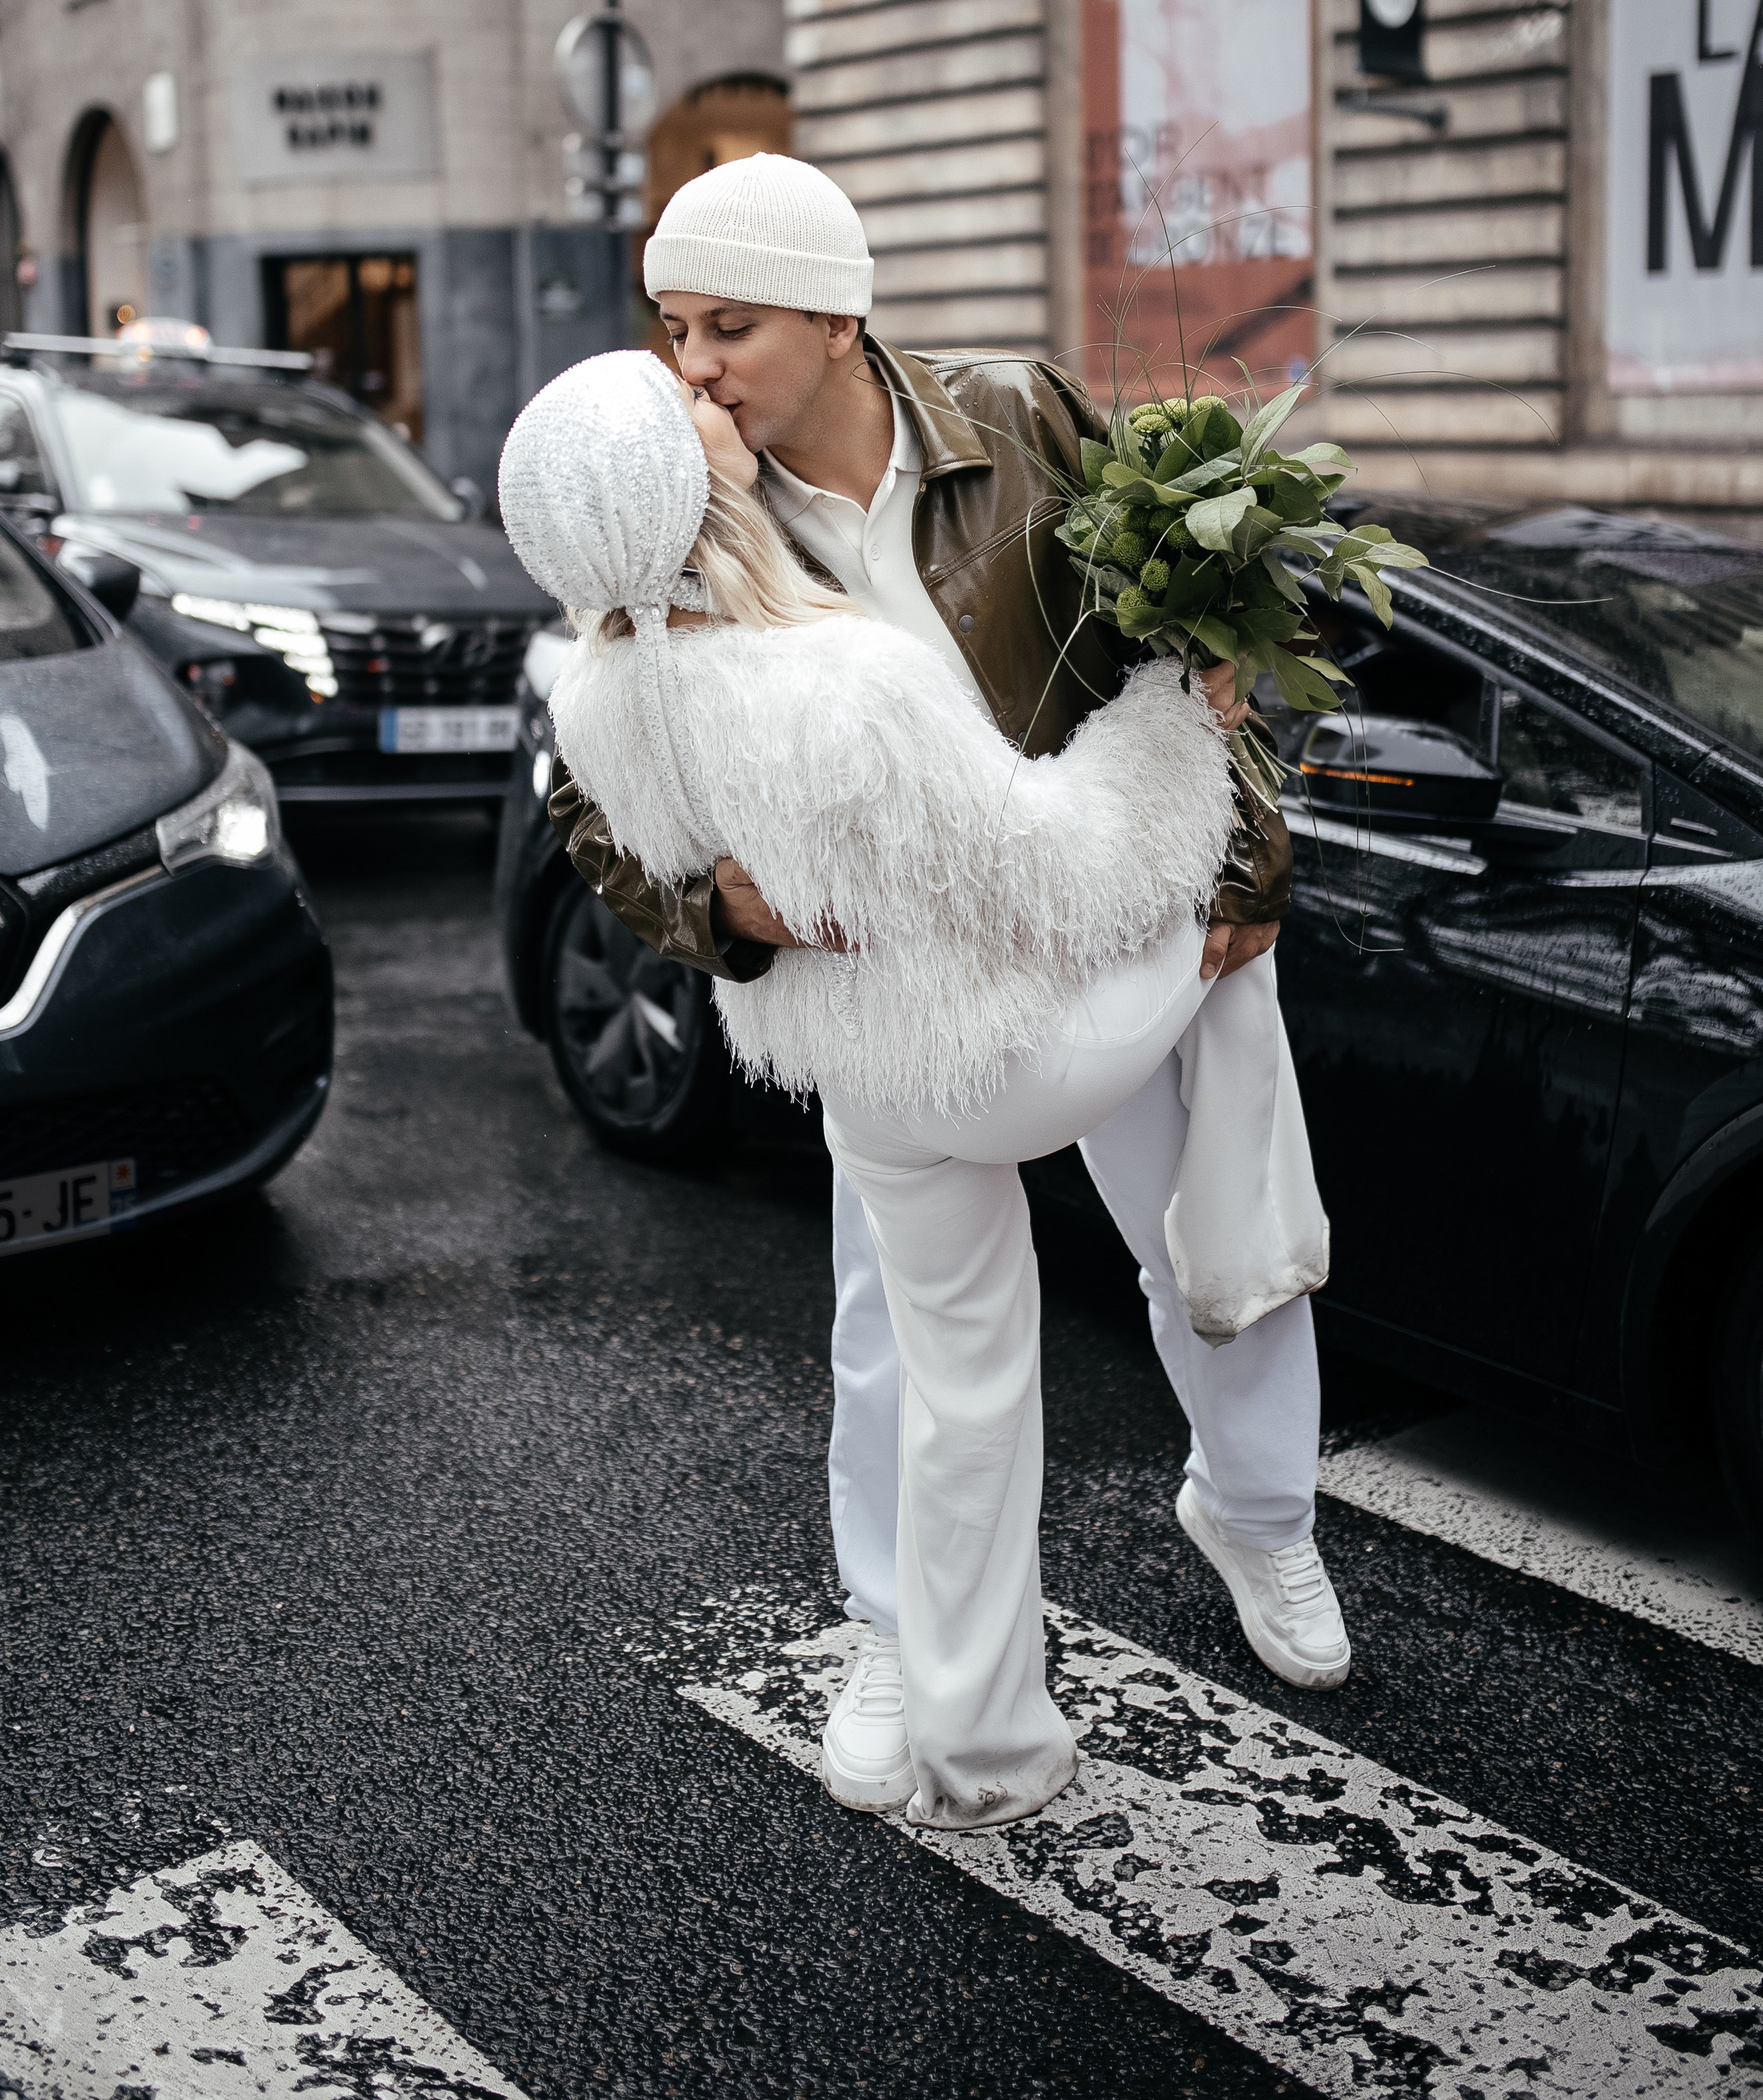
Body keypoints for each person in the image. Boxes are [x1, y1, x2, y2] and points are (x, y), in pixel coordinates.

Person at [548, 155, 1351, 1808]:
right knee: (894, 1334)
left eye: (727, 325)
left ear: (836, 319)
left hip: (1109, 904)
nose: (692, 365)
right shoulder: (678, 496)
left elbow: (1190, 640)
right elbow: (589, 791)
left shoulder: (1017, 415)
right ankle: (895, 1632)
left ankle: (1257, 1513)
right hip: (903, 998)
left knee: (1220, 1233)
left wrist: (1243, 858)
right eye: (673, 327)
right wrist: (718, 908)